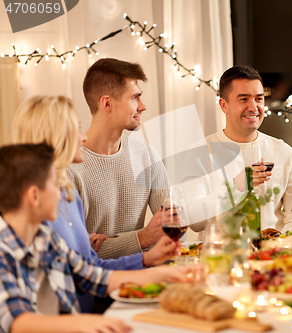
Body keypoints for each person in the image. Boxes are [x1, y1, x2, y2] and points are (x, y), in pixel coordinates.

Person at [0, 143, 197, 333]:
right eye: (55, 184)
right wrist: (83, 323)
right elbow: (17, 321)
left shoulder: (45, 238)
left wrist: (162, 275)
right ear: (34, 196)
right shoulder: (3, 250)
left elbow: (93, 277)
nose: (62, 192)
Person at [10, 95, 181, 313]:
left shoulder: (69, 198)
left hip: (86, 316)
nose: (83, 138)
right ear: (55, 137)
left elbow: (90, 269)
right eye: (77, 129)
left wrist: (148, 258)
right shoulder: (30, 209)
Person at [182, 65, 292, 238]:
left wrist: (279, 245)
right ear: (223, 105)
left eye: (259, 99)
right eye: (244, 99)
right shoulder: (199, 153)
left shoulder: (284, 152)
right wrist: (236, 187)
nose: (254, 107)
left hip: (273, 259)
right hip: (219, 259)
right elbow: (193, 220)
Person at [67, 58, 172, 259]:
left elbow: (173, 232)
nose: (143, 106)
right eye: (135, 98)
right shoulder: (69, 168)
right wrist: (142, 239)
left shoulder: (147, 155)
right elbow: (76, 254)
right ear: (107, 103)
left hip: (147, 279)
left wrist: (119, 243)